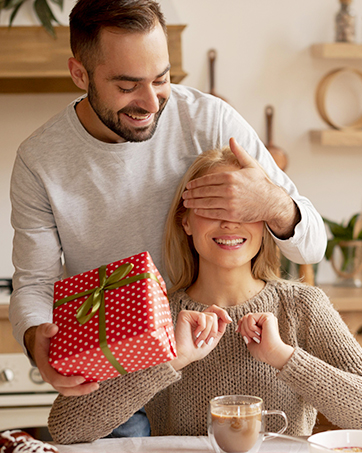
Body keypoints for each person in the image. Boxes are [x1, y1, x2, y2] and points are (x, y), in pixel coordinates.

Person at [9, 0, 326, 438]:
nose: (150, 101)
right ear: (80, 74)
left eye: (162, 79)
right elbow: (35, 284)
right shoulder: (39, 159)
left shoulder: (211, 121)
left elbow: (311, 244)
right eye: (127, 86)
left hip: (209, 349)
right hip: (121, 377)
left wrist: (271, 202)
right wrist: (35, 339)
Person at [48, 146, 362, 444]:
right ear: (185, 221)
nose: (229, 221)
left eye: (245, 209)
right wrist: (174, 359)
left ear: (266, 220)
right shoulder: (155, 313)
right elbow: (66, 427)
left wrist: (284, 357)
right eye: (213, 207)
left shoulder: (302, 306)